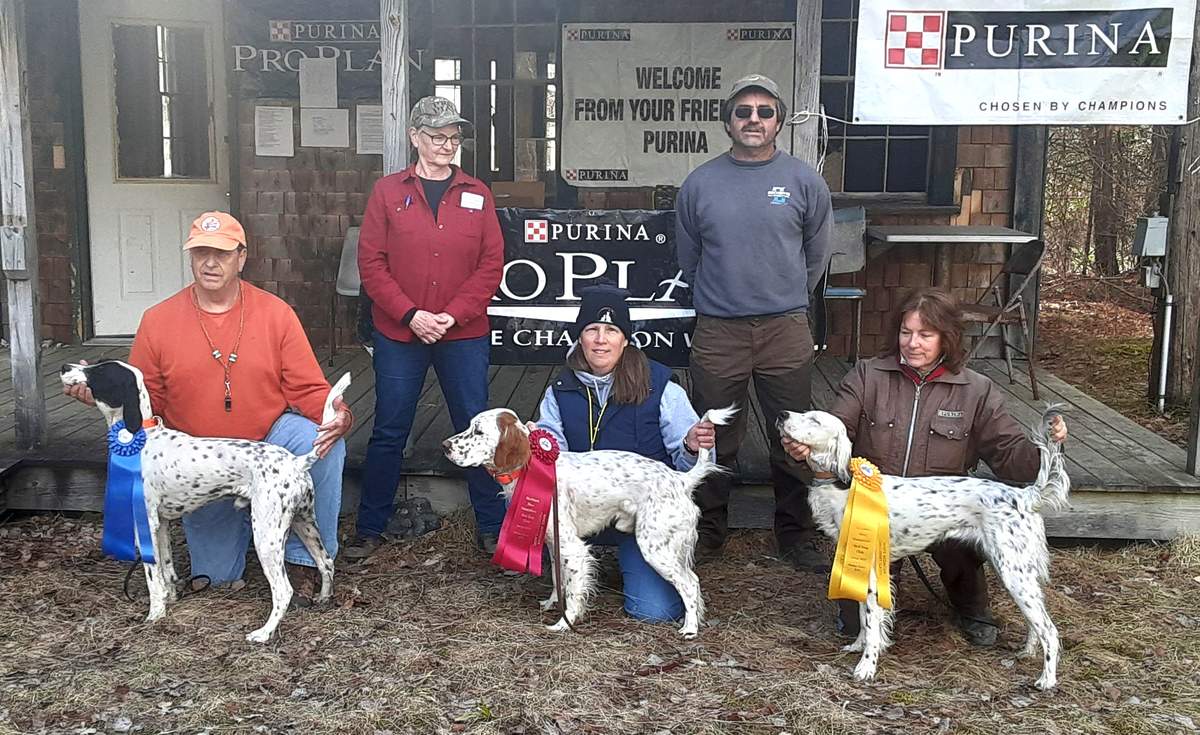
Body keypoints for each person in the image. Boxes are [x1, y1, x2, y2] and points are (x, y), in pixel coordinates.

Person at [63, 211, 352, 600]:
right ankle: (245, 531)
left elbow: (307, 388)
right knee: (215, 580)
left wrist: (337, 413)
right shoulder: (158, 320)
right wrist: (97, 395)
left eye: (221, 253)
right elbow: (149, 402)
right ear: (190, 257)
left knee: (316, 437)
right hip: (199, 459)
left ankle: (302, 562)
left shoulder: (275, 313)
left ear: (241, 257)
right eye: (200, 252)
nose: (210, 263)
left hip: (267, 441)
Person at [782, 287, 1069, 645]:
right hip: (874, 514)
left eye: (925, 335)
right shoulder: (867, 376)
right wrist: (806, 447)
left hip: (944, 509)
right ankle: (870, 617)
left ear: (947, 338)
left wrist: (1049, 448)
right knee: (853, 626)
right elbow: (836, 428)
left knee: (964, 539)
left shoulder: (976, 389)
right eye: (906, 332)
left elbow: (1009, 452)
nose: (912, 343)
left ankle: (971, 607)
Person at [675, 73, 834, 569]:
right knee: (715, 435)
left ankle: (795, 533)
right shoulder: (700, 183)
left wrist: (783, 294)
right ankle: (708, 531)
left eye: (765, 112)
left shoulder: (804, 181)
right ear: (728, 121)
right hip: (719, 330)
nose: (754, 120)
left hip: (784, 328)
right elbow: (689, 258)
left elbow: (816, 254)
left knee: (794, 436)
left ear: (779, 122)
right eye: (743, 112)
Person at [345, 96, 505, 559]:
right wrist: (411, 314)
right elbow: (371, 263)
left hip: (463, 332)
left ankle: (493, 526)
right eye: (437, 136)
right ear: (415, 137)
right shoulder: (388, 192)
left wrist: (452, 314)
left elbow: (491, 264)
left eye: (454, 138)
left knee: (476, 427)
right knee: (391, 428)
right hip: (400, 331)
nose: (447, 145)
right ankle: (371, 526)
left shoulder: (477, 191)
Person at [533, 285, 717, 622]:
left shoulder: (662, 387)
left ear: (625, 339)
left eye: (611, 330)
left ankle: (638, 566)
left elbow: (689, 468)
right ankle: (584, 572)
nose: (601, 340)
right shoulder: (559, 391)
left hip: (644, 514)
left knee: (654, 612)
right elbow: (547, 459)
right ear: (580, 337)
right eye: (592, 330)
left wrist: (692, 446)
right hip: (580, 511)